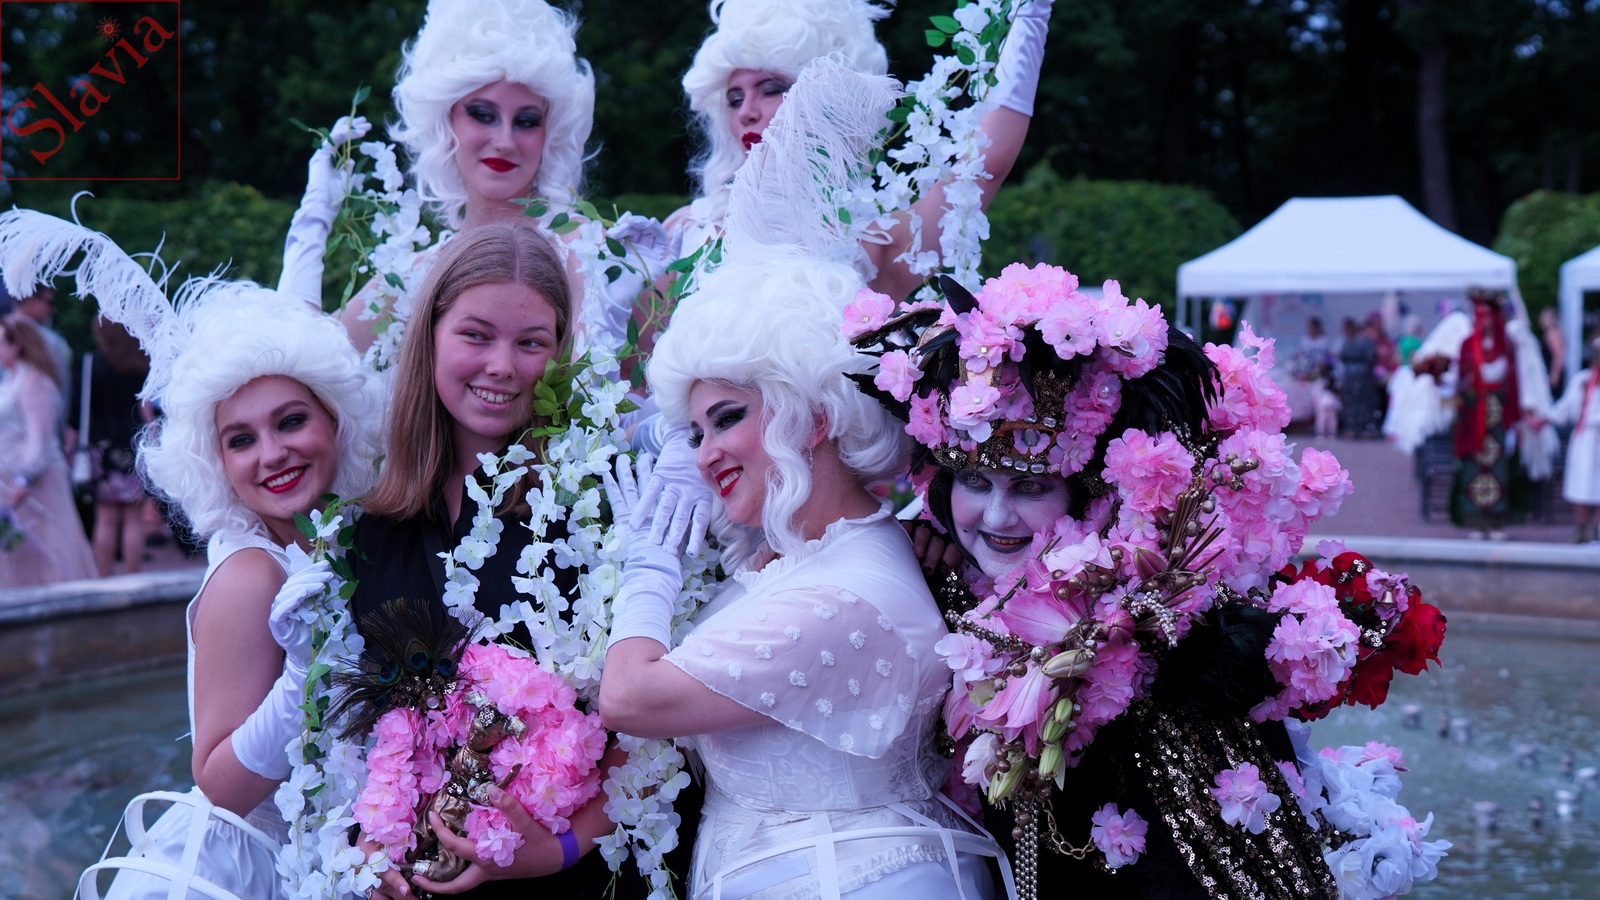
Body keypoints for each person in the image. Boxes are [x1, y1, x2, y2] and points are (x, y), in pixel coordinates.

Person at [848, 264, 1448, 899]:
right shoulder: (938, 581)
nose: (995, 518)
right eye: (974, 481)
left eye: (1030, 486)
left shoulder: (1153, 628)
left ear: (1089, 493)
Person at [598, 241, 1008, 899]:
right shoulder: (808, 553)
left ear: (814, 417)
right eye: (695, 433)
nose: (703, 456)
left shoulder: (844, 592)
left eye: (726, 419)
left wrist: (649, 567)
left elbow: (629, 698)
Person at [346, 222, 632, 899]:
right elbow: (381, 729)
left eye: (531, 343)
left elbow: (648, 734)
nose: (502, 365)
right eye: (476, 335)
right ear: (431, 337)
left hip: (568, 881)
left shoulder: (595, 508)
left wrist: (557, 850)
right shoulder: (376, 527)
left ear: (559, 355)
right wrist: (372, 844)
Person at [279, 0, 658, 363]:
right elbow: (303, 356)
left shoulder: (584, 250)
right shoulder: (416, 273)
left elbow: (632, 387)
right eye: (483, 114)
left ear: (550, 133)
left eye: (526, 121)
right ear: (446, 120)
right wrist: (314, 216)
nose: (505, 141)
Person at [669, 0, 1051, 300]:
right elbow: (644, 367)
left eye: (771, 89)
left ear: (830, 97)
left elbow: (984, 165)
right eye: (734, 99)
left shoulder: (873, 241)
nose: (746, 113)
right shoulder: (688, 231)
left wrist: (1030, 12)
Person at [0, 313, 97, 586]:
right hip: (9, 479)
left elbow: (39, 436)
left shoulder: (36, 381)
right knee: (18, 554)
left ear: (17, 344)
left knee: (53, 549)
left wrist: (25, 477)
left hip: (35, 481)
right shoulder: (10, 379)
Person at [74, 318, 155, 576]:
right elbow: (146, 409)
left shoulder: (91, 364)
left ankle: (104, 579)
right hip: (134, 445)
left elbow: (77, 412)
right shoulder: (140, 363)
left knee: (105, 519)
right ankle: (132, 576)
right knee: (133, 519)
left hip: (102, 448)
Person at [1543, 330, 1600, 542]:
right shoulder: (1582, 380)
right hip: (1584, 437)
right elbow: (1565, 408)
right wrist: (1543, 418)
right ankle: (1581, 527)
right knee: (1580, 481)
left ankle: (1597, 528)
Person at [15, 283, 71, 390]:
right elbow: (61, 385)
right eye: (49, 302)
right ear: (31, 302)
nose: (52, 310)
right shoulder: (48, 339)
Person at [1540, 307, 1566, 398]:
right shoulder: (1550, 333)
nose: (1541, 320)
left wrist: (1554, 374)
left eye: (1544, 318)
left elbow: (1558, 355)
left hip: (1552, 374)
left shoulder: (1553, 334)